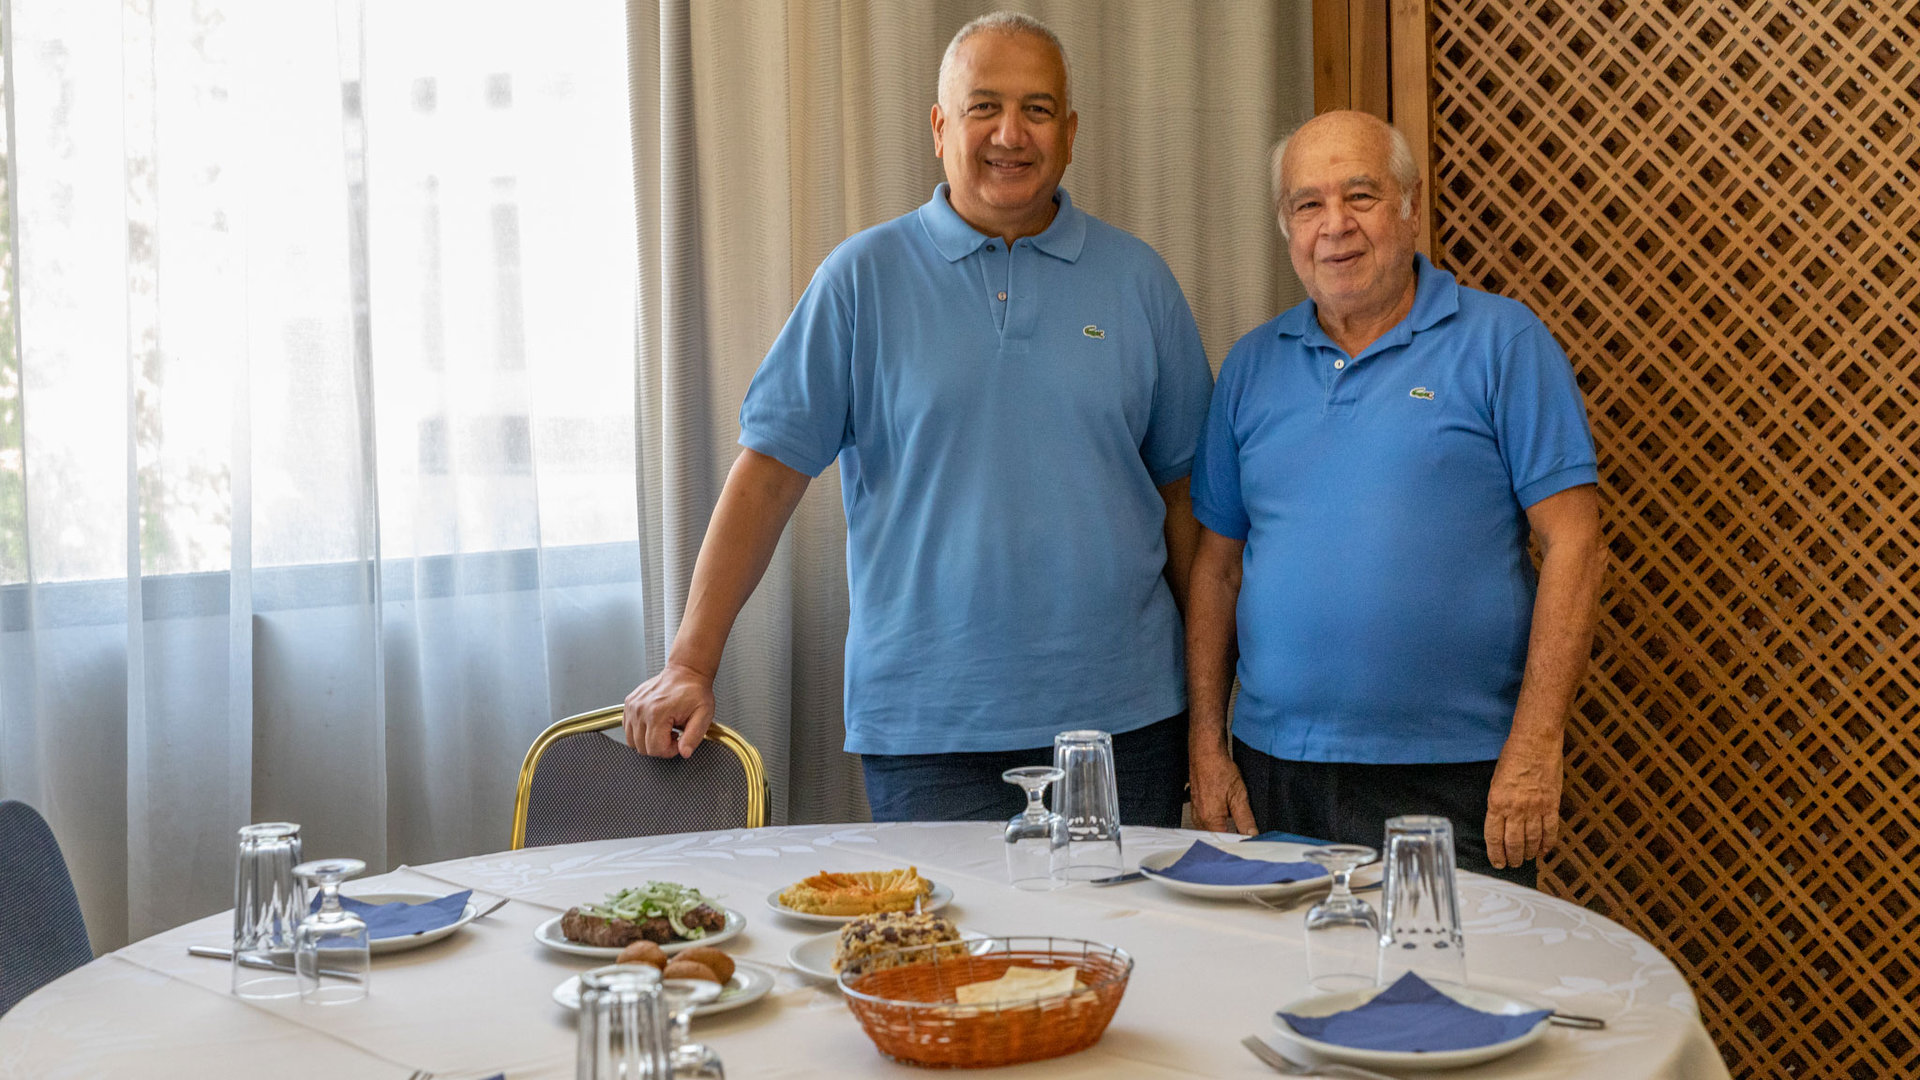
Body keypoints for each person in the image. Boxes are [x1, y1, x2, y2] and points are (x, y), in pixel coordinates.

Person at [621, 12, 1214, 827]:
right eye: (983, 107)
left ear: (1071, 134)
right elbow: (766, 480)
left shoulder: (1140, 282)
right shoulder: (859, 279)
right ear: (939, 129)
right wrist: (690, 662)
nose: (1011, 133)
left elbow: (1188, 504)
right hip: (928, 731)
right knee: (939, 921)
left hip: (1124, 726)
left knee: (1118, 920)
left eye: (1038, 110)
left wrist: (1212, 715)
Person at [1185, 110, 1606, 886]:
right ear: (1286, 228)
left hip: (1457, 774)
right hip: (1275, 771)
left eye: (1361, 195)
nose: (1335, 226)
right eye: (1308, 204)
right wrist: (1206, 745)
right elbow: (1218, 569)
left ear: (1412, 206)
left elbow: (1575, 544)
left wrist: (1536, 744)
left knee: (1449, 968)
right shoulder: (1250, 366)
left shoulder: (1504, 343)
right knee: (1282, 965)